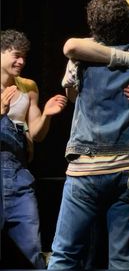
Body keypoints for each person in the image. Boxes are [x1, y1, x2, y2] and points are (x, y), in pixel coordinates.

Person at [47, 0, 129, 270]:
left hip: (86, 169)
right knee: (123, 259)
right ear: (128, 20)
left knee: (65, 253)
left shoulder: (82, 54)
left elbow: (71, 75)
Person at [0, 29, 67, 268]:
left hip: (19, 173)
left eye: (24, 57)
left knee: (31, 247)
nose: (21, 62)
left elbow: (37, 135)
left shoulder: (28, 87)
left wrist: (47, 115)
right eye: (16, 55)